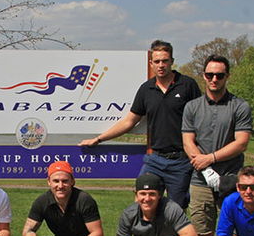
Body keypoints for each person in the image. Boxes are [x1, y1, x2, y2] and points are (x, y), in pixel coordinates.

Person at [79, 40, 201, 210]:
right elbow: (130, 121)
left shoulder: (188, 85)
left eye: (165, 61)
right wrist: (99, 139)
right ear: (151, 63)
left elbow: (201, 119)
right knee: (141, 204)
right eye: (157, 61)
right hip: (155, 159)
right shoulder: (146, 89)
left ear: (172, 61)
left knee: (176, 212)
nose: (161, 65)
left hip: (181, 161)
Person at [182, 54, 252, 236]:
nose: (214, 79)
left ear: (227, 77)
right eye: (210, 75)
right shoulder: (192, 107)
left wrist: (210, 158)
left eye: (219, 75)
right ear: (203, 76)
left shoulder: (239, 106)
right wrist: (202, 164)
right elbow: (188, 141)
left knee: (236, 231)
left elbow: (241, 142)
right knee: (203, 233)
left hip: (232, 179)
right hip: (200, 180)